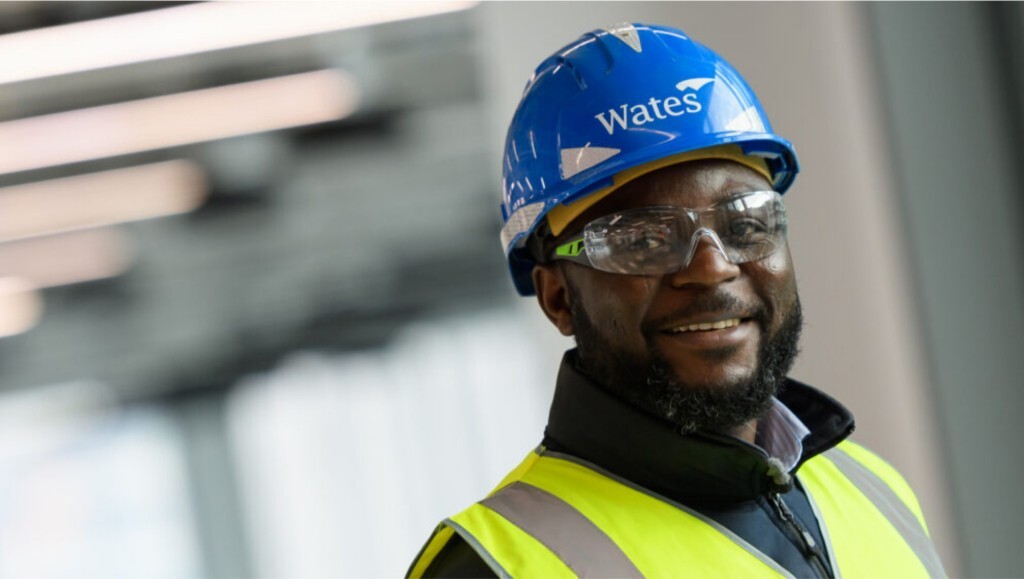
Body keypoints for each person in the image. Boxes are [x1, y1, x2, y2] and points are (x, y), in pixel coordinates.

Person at [407, 23, 946, 578]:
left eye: (745, 221)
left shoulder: (872, 487)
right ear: (559, 298)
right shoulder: (495, 567)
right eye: (643, 239)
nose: (712, 267)